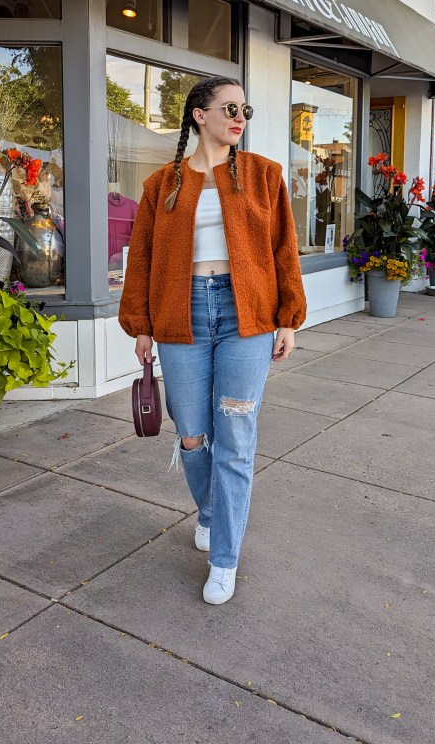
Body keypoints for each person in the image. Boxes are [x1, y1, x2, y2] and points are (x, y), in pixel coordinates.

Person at [119, 75, 306, 604]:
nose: (239, 117)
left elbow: (285, 249)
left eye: (245, 109)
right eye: (229, 108)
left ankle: (225, 557)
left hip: (247, 315)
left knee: (236, 437)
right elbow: (142, 258)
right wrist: (141, 325)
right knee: (192, 434)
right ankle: (209, 510)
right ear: (199, 115)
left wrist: (288, 318)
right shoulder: (162, 185)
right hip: (182, 314)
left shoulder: (264, 176)